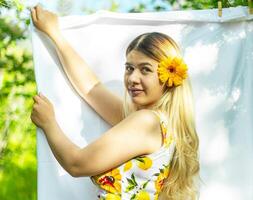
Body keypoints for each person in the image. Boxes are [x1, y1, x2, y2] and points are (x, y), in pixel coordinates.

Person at [30, 5, 200, 200]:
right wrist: (55, 35)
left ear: (169, 76)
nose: (132, 78)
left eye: (145, 69)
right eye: (129, 68)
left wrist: (49, 122)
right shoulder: (159, 123)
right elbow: (92, 89)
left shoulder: (146, 122)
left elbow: (77, 164)